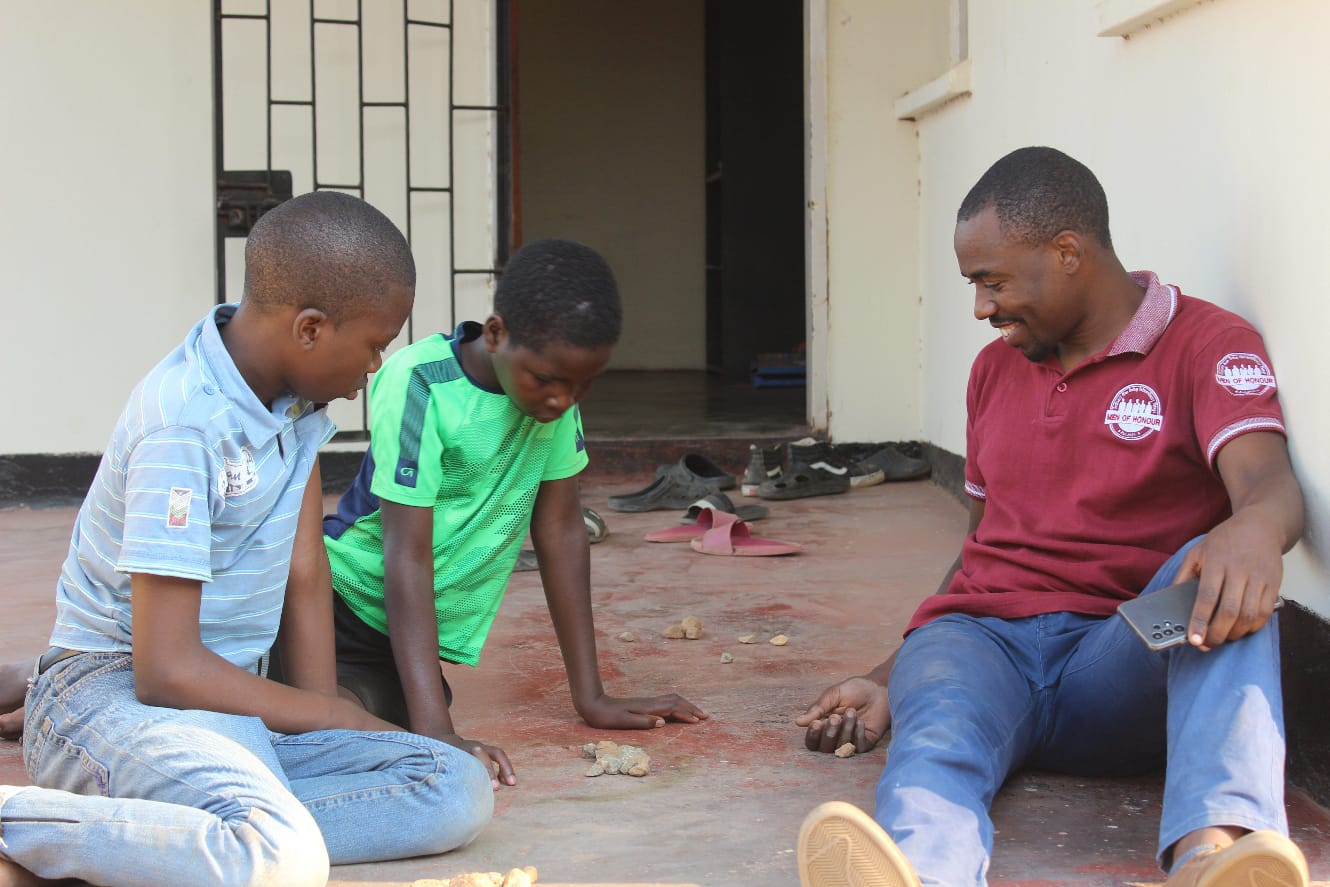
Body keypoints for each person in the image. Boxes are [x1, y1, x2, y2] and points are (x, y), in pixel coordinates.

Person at [794, 147, 1308, 887]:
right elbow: (982, 543)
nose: (981, 307)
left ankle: (1215, 855)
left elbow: (1268, 483)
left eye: (992, 280)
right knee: (940, 728)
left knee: (1219, 576)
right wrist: (888, 672)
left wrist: (1254, 530)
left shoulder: (1206, 343)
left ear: (1068, 253)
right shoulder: (992, 370)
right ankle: (920, 869)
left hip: (1120, 651)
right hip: (982, 648)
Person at [0, 191, 493, 887]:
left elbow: (303, 568)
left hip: (227, 702)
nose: (375, 370)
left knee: (453, 785)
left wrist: (329, 723)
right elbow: (166, 668)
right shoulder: (185, 424)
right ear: (312, 329)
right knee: (280, 856)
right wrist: (327, 709)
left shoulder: (296, 403)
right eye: (375, 345)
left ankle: (162, 836)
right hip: (122, 695)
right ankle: (29, 822)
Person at [283, 237, 707, 789]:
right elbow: (405, 555)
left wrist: (591, 696)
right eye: (548, 380)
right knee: (384, 722)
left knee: (394, 713)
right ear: (497, 333)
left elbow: (559, 531)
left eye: (583, 385)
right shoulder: (420, 381)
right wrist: (438, 730)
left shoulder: (555, 403)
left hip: (397, 634)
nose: (563, 400)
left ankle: (300, 706)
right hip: (338, 600)